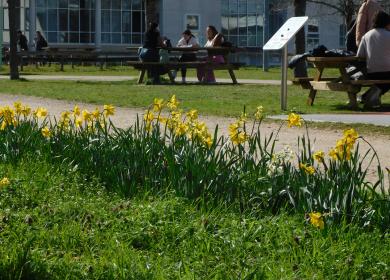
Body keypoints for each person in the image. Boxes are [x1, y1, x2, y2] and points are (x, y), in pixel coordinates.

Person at [357, 11, 390, 108]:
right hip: (388, 71)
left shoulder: (366, 35)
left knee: (383, 83)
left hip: (371, 72)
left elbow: (360, 55)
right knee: (385, 82)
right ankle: (368, 97)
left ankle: (367, 96)